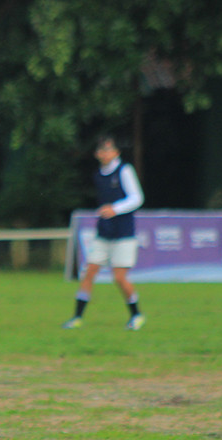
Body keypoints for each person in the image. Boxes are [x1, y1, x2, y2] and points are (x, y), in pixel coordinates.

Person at [63, 135, 146, 330]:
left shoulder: (124, 170)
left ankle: (136, 315)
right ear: (96, 154)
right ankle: (77, 317)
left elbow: (137, 198)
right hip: (104, 233)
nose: (104, 153)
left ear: (116, 152)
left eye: (108, 149)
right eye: (101, 150)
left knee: (119, 277)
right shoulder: (99, 175)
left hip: (124, 233)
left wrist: (115, 209)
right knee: (89, 273)